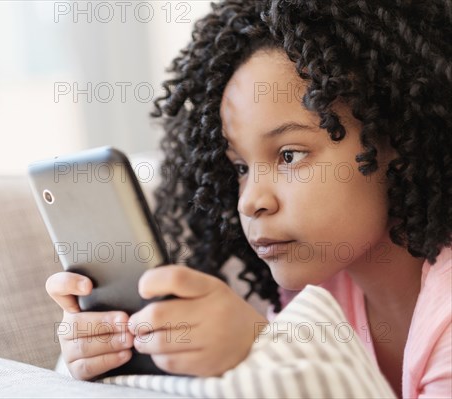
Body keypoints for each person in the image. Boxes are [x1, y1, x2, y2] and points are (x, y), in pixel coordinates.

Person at [46, 0, 451, 397]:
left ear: (402, 141)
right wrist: (114, 354)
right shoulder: (310, 292)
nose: (250, 201)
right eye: (240, 167)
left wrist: (265, 349)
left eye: (289, 155)